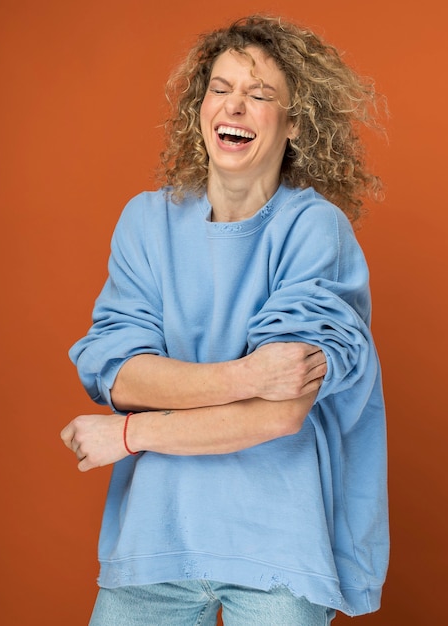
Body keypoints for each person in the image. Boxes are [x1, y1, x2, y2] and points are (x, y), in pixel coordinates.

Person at [61, 14, 389, 625]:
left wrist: (129, 434)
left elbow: (284, 407)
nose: (234, 106)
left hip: (278, 547)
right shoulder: (146, 221)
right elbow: (121, 377)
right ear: (199, 106)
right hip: (154, 537)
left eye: (260, 94)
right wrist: (250, 374)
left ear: (295, 124)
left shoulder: (314, 229)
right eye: (221, 87)